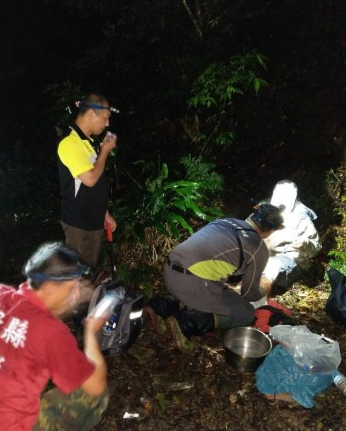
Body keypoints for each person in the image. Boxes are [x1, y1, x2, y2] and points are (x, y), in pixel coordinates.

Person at [0, 242, 109, 431]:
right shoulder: (49, 331)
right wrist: (90, 333)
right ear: (48, 286)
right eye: (73, 288)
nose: (76, 295)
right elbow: (95, 386)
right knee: (93, 396)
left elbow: (27, 320)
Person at [146, 204, 284, 351]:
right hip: (191, 284)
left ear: (253, 212)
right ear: (271, 230)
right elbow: (248, 293)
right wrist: (264, 286)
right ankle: (184, 324)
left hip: (169, 271)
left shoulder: (224, 221)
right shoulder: (258, 248)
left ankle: (159, 306)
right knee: (245, 313)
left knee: (215, 288)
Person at [57, 93, 118, 268]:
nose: (107, 124)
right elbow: (90, 178)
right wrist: (105, 151)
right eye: (106, 118)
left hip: (93, 221)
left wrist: (104, 213)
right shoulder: (70, 143)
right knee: (77, 280)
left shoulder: (88, 142)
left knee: (88, 273)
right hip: (79, 225)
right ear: (91, 114)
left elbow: (96, 184)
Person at [259, 180, 321, 297]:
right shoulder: (263, 208)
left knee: (270, 266)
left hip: (288, 259)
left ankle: (256, 299)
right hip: (262, 252)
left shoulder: (301, 219)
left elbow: (316, 248)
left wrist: (304, 244)